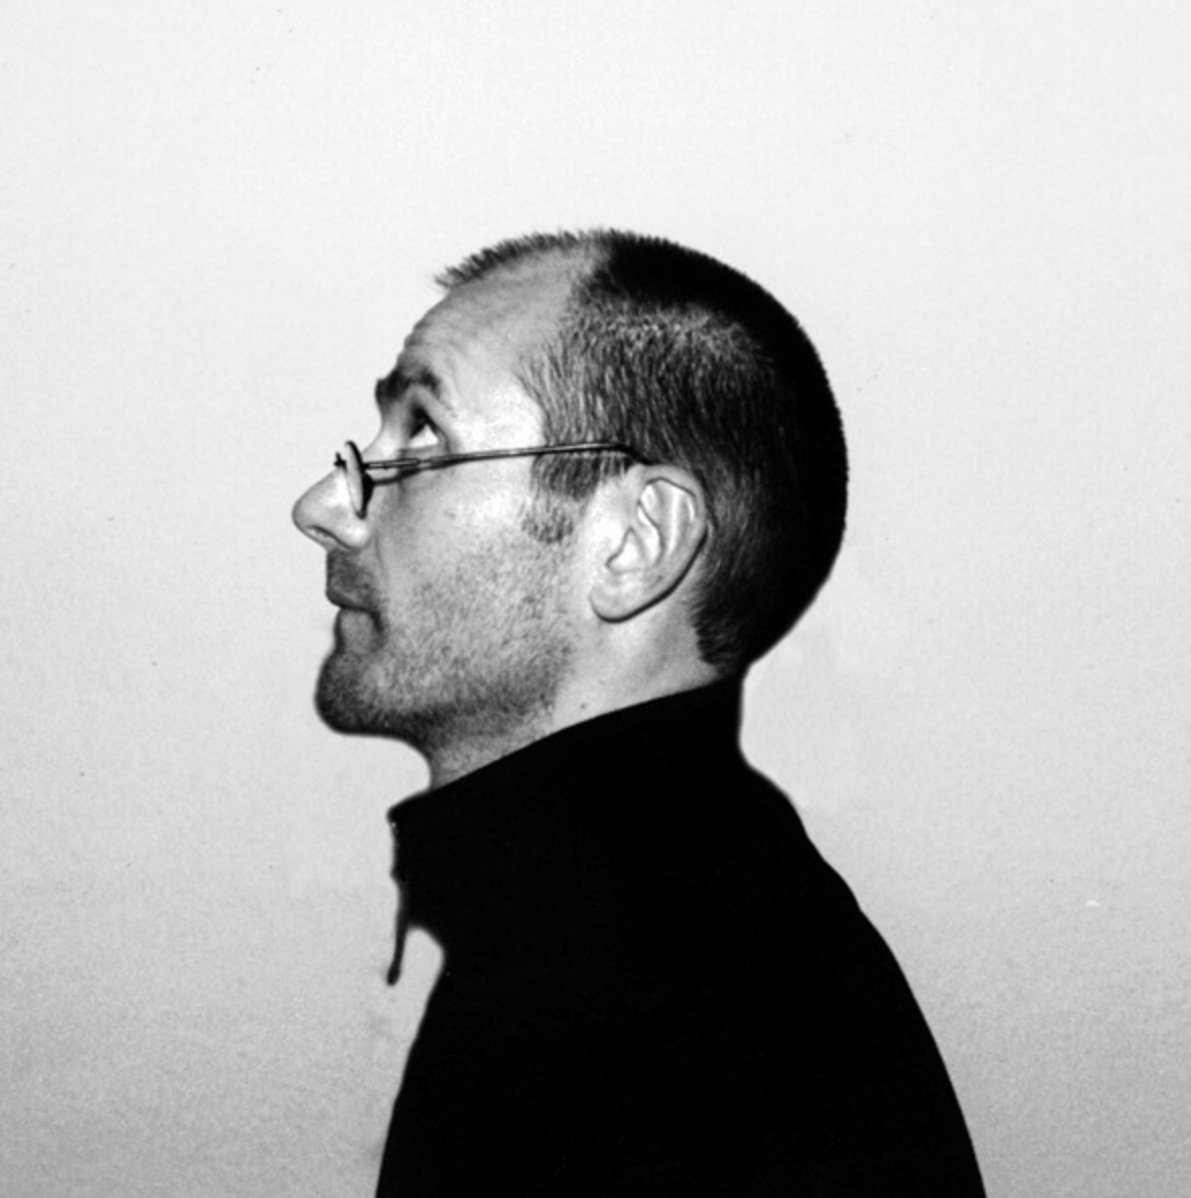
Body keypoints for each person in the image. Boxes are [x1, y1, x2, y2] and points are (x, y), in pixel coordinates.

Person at [292, 230, 985, 1196]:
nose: (324, 506)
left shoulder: (676, 1016)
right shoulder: (634, 933)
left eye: (424, 440)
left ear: (636, 543)